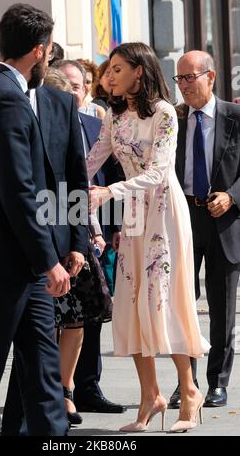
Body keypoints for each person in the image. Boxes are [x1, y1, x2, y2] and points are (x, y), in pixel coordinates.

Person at [0, 3, 88, 436]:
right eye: (47, 53)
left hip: (21, 264)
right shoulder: (5, 97)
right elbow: (17, 190)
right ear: (39, 51)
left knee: (44, 374)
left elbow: (67, 182)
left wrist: (64, 247)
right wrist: (48, 260)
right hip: (4, 263)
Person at [86, 42, 210, 433]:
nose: (110, 77)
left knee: (163, 298)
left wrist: (108, 193)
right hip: (136, 212)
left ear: (139, 71)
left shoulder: (164, 114)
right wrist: (59, 181)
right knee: (133, 299)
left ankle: (189, 390)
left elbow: (159, 172)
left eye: (118, 69)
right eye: (109, 70)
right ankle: (150, 395)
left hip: (163, 211)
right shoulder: (114, 117)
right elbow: (91, 160)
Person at [54, 59, 126, 414]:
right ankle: (59, 390)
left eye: (78, 85)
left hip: (94, 233)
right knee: (61, 316)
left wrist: (111, 231)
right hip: (59, 228)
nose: (72, 91)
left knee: (90, 315)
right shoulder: (45, 123)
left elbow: (109, 175)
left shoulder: (96, 124)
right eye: (65, 84)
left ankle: (88, 388)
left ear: (86, 89)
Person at [169, 50, 240, 409]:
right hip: (184, 217)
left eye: (189, 78)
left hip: (224, 221)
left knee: (221, 306)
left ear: (210, 77)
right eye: (178, 79)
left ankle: (217, 382)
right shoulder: (174, 119)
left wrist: (232, 196)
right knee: (182, 304)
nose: (183, 86)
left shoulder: (235, 116)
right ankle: (186, 382)